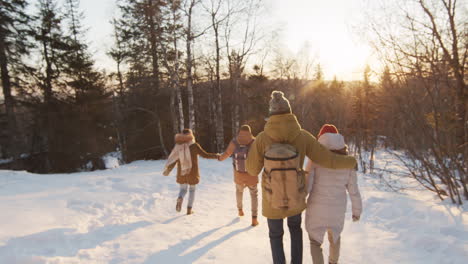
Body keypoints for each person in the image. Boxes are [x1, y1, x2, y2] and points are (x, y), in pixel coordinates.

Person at [246, 91, 357, 264]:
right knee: (295, 230)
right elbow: (328, 160)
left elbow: (252, 170)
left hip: (271, 198)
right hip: (295, 196)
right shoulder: (303, 136)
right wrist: (351, 161)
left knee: (275, 236)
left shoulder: (261, 139)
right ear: (290, 112)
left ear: (271, 114)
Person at [305, 124, 362, 264]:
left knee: (315, 242)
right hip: (337, 208)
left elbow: (307, 185)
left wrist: (299, 201)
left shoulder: (315, 158)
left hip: (317, 207)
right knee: (335, 238)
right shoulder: (348, 161)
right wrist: (357, 211)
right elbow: (353, 190)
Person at [163, 129, 219, 215]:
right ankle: (189, 210)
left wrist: (168, 170)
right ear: (191, 136)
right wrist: (216, 156)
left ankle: (180, 198)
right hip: (192, 172)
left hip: (182, 172)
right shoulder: (194, 146)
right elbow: (205, 155)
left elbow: (173, 160)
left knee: (183, 189)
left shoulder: (178, 146)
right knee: (192, 190)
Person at [219, 124, 259, 226]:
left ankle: (240, 210)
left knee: (239, 191)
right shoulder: (254, 141)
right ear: (250, 132)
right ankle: (254, 218)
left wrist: (219, 158)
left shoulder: (234, 141)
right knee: (254, 194)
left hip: (238, 173)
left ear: (240, 132)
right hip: (252, 173)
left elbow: (227, 153)